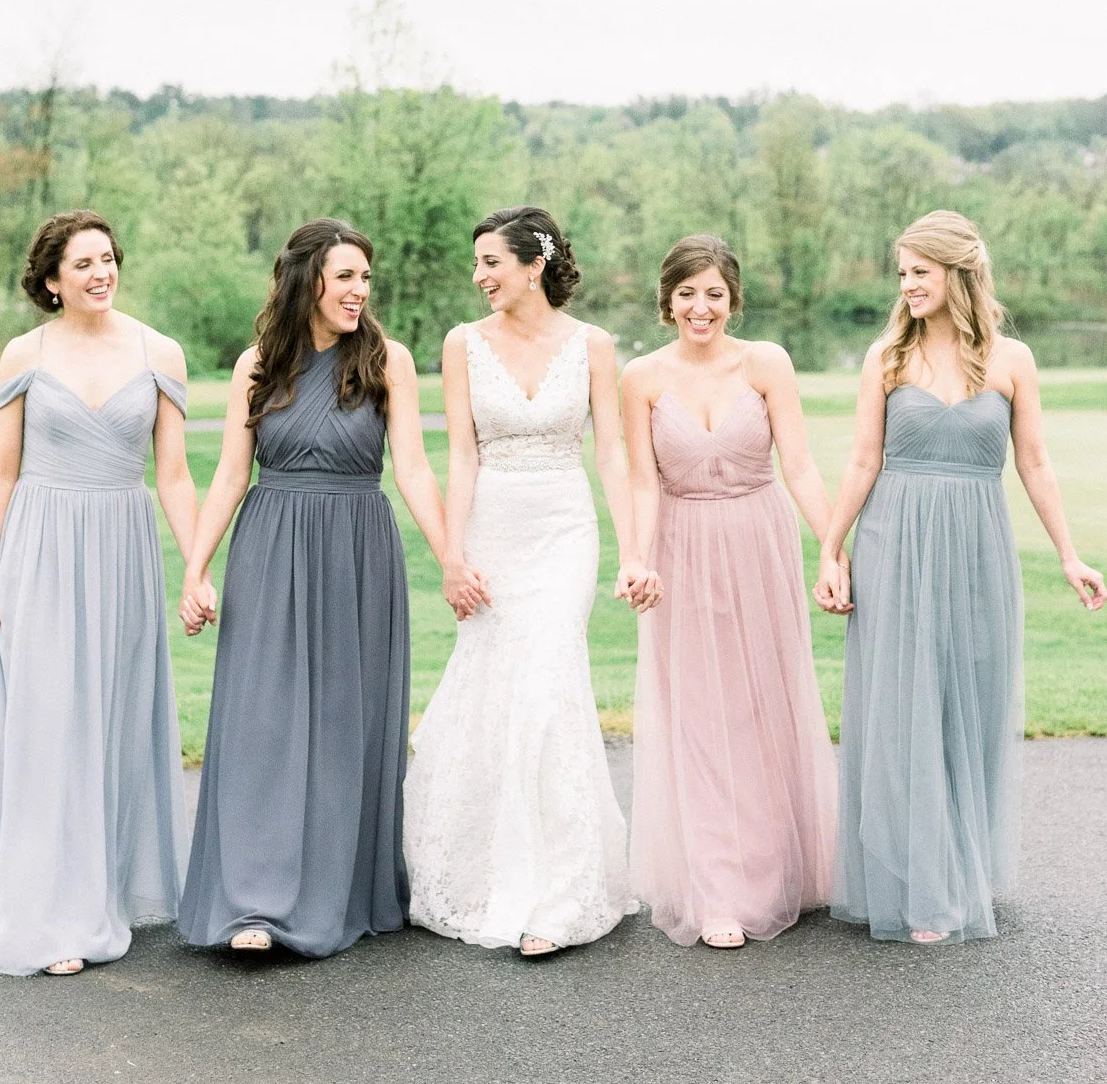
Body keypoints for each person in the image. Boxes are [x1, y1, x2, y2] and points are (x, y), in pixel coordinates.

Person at [177, 219, 470, 956]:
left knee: (344, 726)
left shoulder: (386, 358)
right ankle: (253, 902)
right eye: (345, 277)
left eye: (365, 278)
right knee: (261, 726)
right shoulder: (257, 363)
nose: (358, 291)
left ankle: (337, 892)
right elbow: (228, 476)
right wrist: (195, 567)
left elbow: (412, 469)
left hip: (356, 550)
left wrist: (450, 559)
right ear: (308, 279)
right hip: (270, 546)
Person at [816, 210, 1106, 943]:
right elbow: (861, 461)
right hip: (893, 544)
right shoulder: (885, 356)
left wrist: (1069, 554)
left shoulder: (1012, 360)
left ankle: (955, 864)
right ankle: (916, 882)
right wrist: (829, 547)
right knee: (903, 706)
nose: (907, 285)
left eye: (919, 271)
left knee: (963, 704)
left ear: (957, 273)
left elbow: (1033, 462)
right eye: (902, 273)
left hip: (977, 548)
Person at [0, 211, 198, 977]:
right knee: (48, 726)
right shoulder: (25, 353)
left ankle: (102, 893)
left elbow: (175, 476)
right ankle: (49, 914)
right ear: (52, 280)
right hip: (42, 551)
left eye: (107, 259)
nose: (100, 273)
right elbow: (1, 474)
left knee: (110, 721)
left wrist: (195, 567)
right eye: (81, 263)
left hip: (122, 552)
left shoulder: (162, 352)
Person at [403, 206, 656, 957]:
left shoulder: (592, 345)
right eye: (477, 264)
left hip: (562, 530)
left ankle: (560, 892)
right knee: (491, 690)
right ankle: (480, 873)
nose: (479, 277)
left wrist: (630, 550)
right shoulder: (461, 344)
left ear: (533, 264)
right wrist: (452, 554)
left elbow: (610, 454)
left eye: (491, 262)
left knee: (548, 689)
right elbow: (461, 457)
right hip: (490, 530)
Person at [622, 234, 838, 949]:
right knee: (699, 717)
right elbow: (641, 483)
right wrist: (637, 557)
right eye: (686, 292)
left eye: (713, 292)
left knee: (760, 706)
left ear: (731, 298)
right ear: (667, 301)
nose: (700, 306)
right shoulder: (642, 378)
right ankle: (717, 892)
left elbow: (801, 466)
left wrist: (832, 547)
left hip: (760, 541)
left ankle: (779, 867)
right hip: (681, 552)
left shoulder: (767, 362)